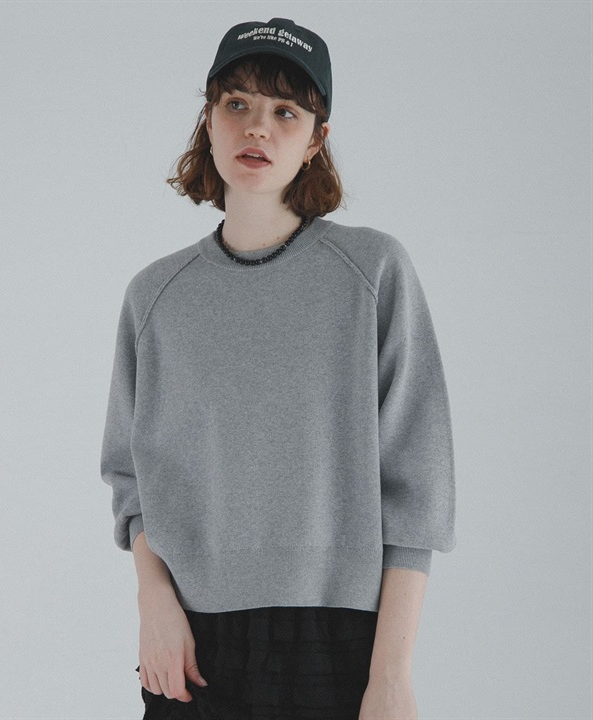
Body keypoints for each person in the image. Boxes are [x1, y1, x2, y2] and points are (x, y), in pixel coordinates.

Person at [100, 17, 456, 720]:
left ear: (317, 138)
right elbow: (131, 478)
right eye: (236, 103)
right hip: (191, 649)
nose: (257, 127)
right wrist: (153, 601)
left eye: (285, 111)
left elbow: (418, 487)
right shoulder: (155, 296)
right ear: (208, 119)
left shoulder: (373, 272)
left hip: (339, 645)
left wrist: (391, 674)